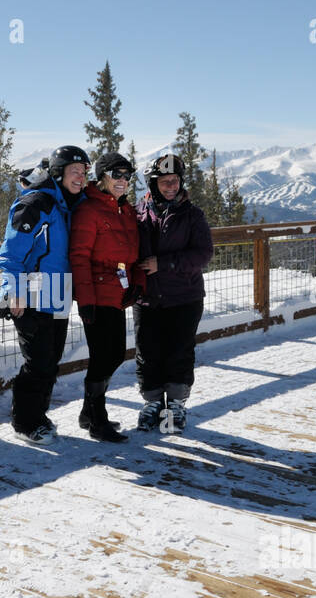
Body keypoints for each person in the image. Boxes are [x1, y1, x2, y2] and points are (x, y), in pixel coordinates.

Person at [0, 145, 90, 443]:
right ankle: (25, 422)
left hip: (58, 294)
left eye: (84, 172)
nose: (80, 177)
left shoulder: (67, 205)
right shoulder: (37, 204)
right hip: (31, 296)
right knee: (38, 363)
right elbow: (10, 255)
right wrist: (14, 291)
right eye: (74, 171)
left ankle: (37, 414)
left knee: (51, 360)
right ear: (58, 173)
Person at [134, 153, 213, 433]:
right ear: (154, 184)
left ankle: (176, 405)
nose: (171, 187)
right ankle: (153, 402)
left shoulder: (192, 216)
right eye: (165, 182)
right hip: (147, 297)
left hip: (184, 297)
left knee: (179, 352)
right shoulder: (138, 214)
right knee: (148, 352)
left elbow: (203, 254)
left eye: (175, 181)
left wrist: (164, 264)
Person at [69, 151, 146, 442]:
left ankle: (89, 413)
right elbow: (79, 257)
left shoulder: (124, 210)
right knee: (105, 356)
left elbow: (134, 255)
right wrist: (85, 299)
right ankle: (96, 418)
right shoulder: (89, 210)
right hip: (97, 294)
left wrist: (137, 283)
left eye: (127, 176)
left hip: (117, 293)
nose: (123, 181)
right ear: (101, 176)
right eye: (117, 175)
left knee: (112, 354)